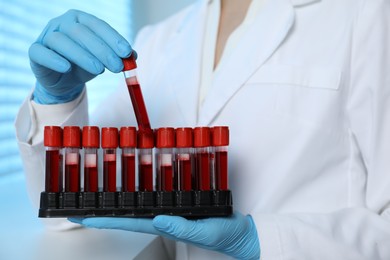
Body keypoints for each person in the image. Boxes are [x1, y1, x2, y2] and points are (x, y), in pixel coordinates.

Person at [15, 0, 390, 259]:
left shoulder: (366, 13)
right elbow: (70, 209)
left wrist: (265, 241)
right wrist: (58, 101)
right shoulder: (158, 38)